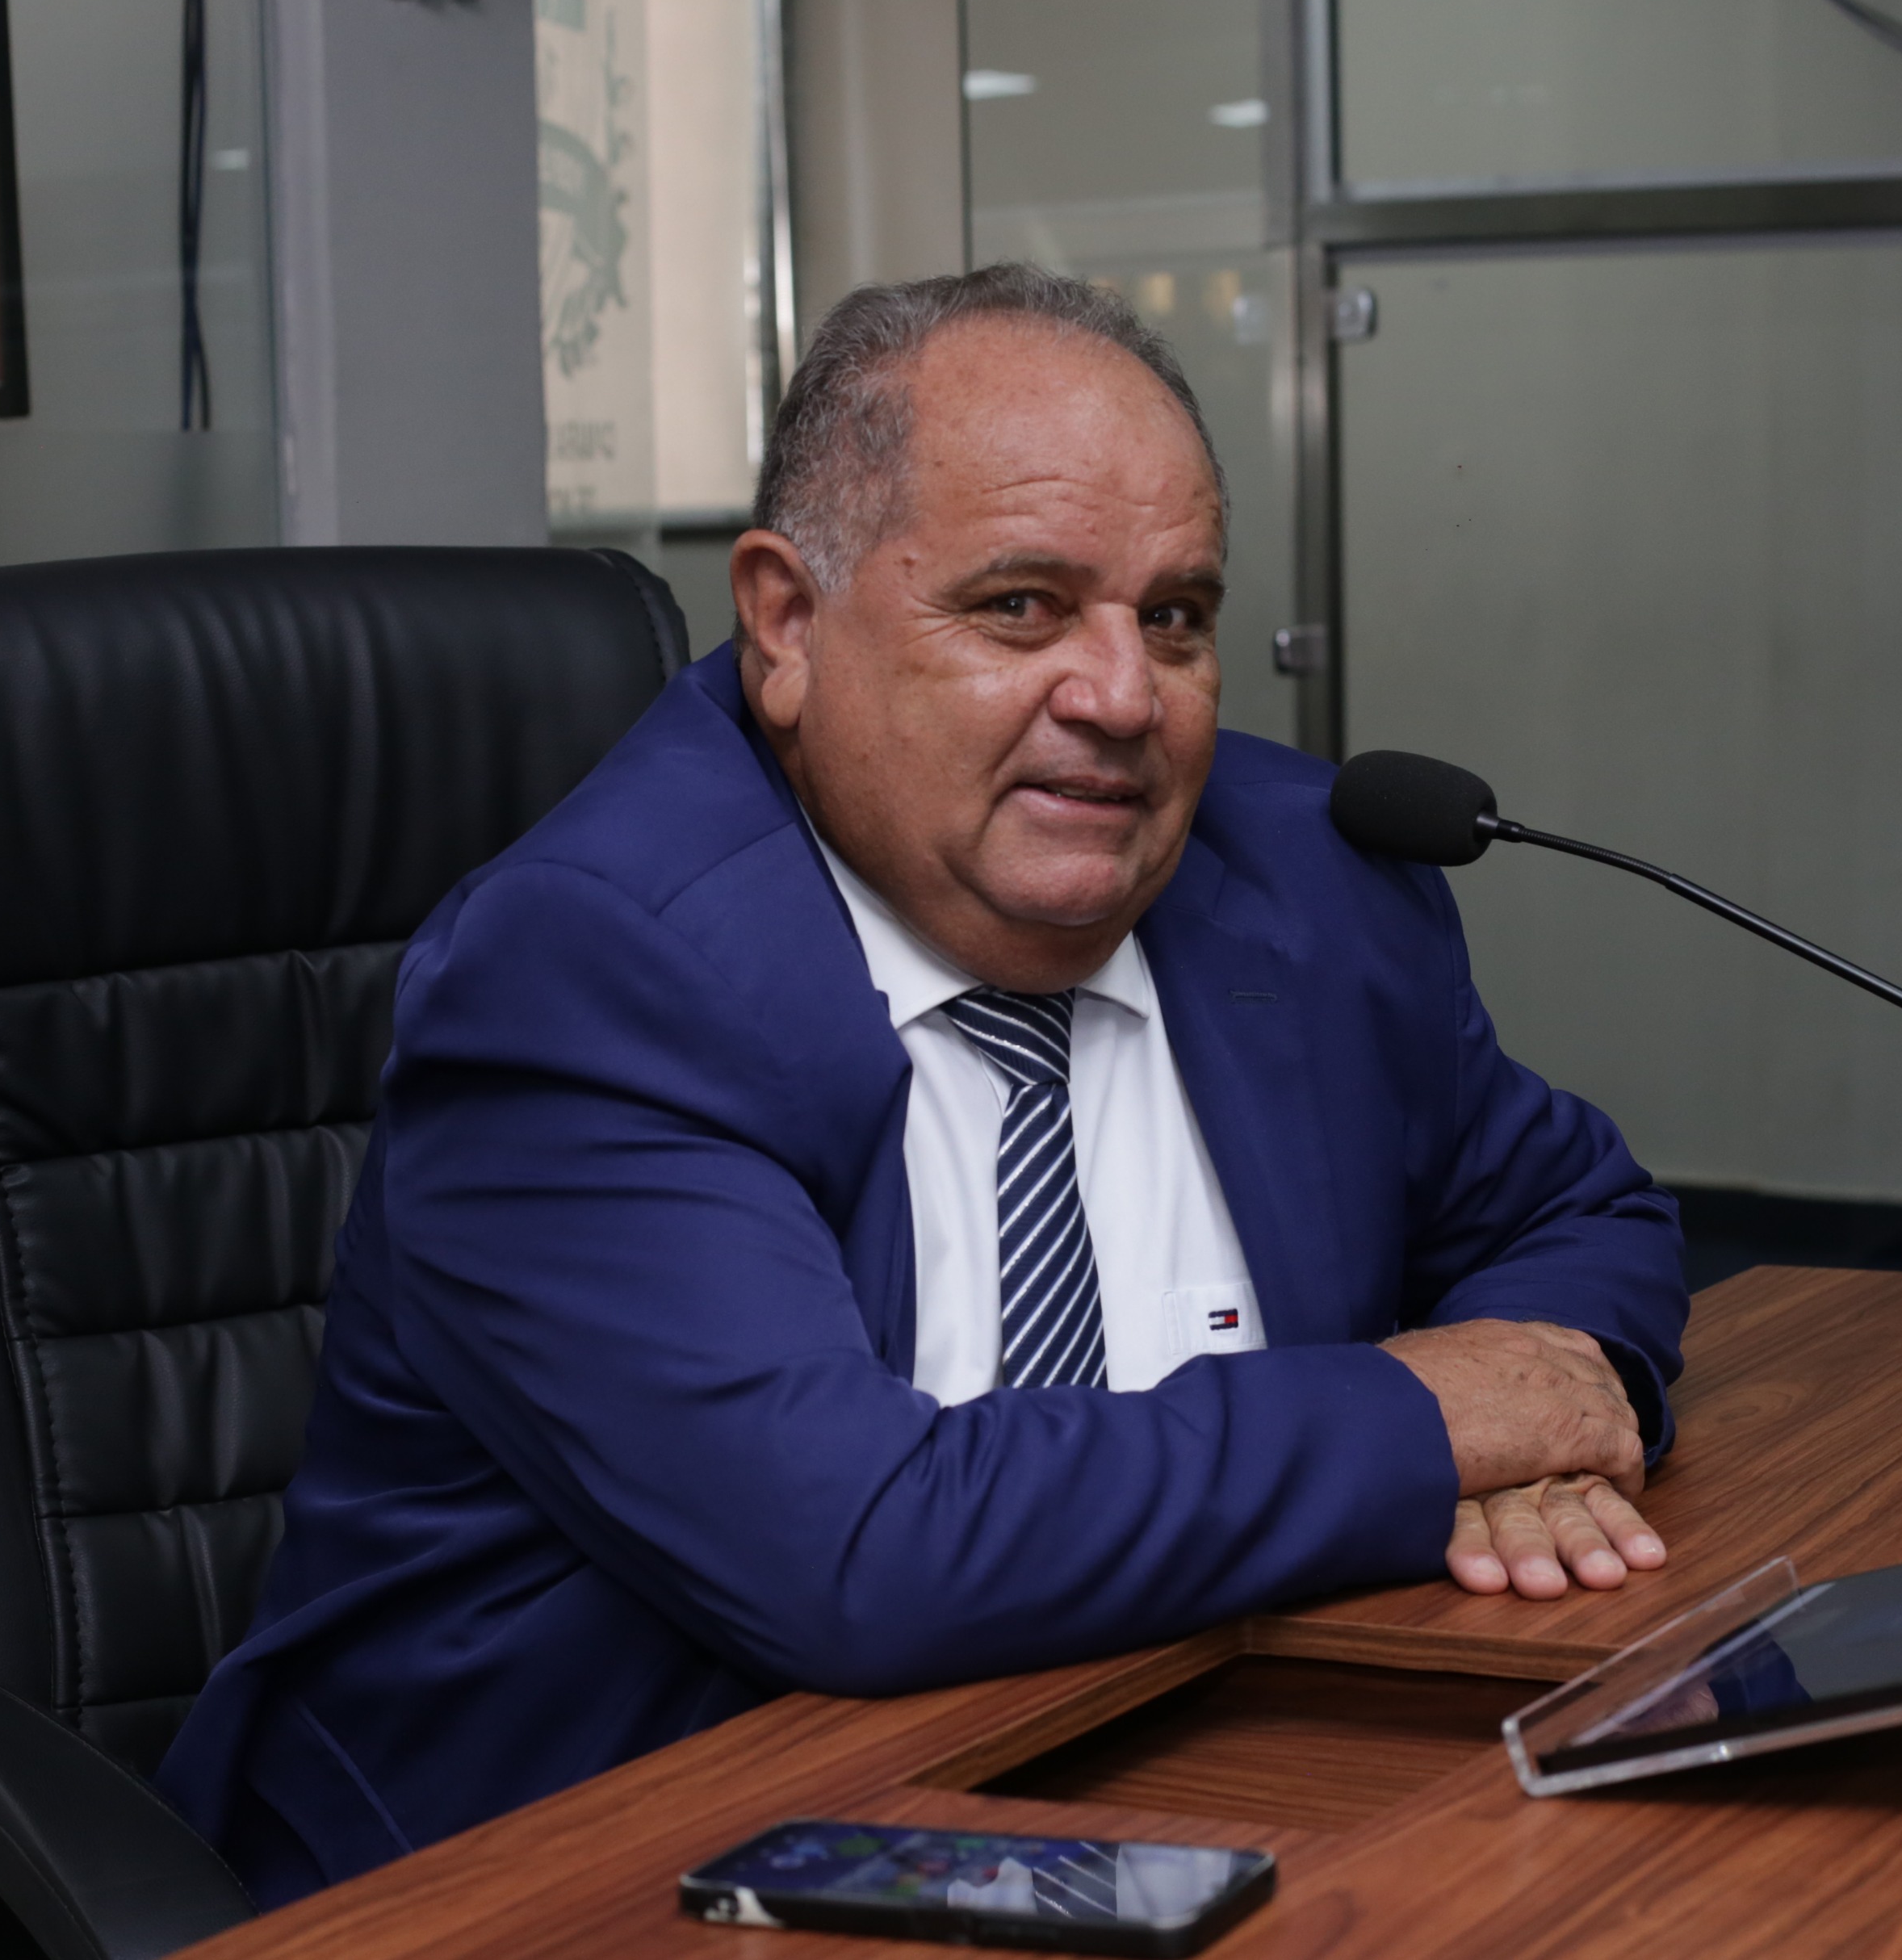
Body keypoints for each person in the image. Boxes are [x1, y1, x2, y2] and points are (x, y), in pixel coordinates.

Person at [155, 266, 1689, 1903]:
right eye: (1021, 606)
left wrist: (1549, 1415)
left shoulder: (1304, 877)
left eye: (1174, 616)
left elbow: (1578, 1217)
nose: (1121, 698)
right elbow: (856, 1546)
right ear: (787, 624)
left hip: (1172, 1767)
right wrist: (1423, 1422)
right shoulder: (588, 971)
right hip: (583, 1865)